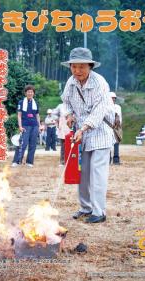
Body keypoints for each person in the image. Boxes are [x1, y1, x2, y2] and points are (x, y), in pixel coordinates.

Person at [61, 47, 115, 223]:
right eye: (74, 67)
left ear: (90, 66)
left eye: (82, 67)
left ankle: (99, 212)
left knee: (97, 174)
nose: (77, 71)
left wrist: (83, 128)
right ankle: (85, 207)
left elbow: (100, 111)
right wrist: (69, 115)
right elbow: (66, 101)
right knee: (82, 173)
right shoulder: (71, 82)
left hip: (100, 133)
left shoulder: (100, 83)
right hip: (81, 136)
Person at [12, 85, 40, 167]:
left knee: (33, 145)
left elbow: (37, 115)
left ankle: (29, 162)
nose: (30, 93)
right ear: (25, 93)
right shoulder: (21, 102)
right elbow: (19, 115)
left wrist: (39, 126)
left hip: (34, 126)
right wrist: (20, 126)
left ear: (33, 93)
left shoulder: (36, 103)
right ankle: (16, 161)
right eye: (28, 92)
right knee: (22, 144)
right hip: (25, 126)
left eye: (31, 92)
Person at [109, 92, 122, 164]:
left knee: (116, 143)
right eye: (112, 98)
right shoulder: (105, 107)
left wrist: (119, 127)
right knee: (107, 144)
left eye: (114, 98)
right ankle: (108, 159)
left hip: (116, 128)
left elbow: (120, 117)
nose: (113, 99)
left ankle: (116, 159)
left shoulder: (118, 107)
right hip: (108, 127)